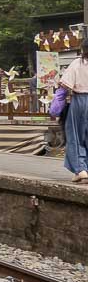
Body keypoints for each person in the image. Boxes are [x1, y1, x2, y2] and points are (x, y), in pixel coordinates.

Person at [59, 43, 88, 181]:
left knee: (75, 134)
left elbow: (65, 84)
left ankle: (80, 169)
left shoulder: (78, 63)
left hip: (80, 100)